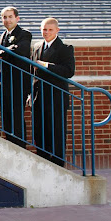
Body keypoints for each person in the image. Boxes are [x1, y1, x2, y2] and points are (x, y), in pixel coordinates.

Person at [29, 17, 75, 166]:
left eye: (50, 30)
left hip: (56, 98)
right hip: (38, 97)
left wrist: (47, 65)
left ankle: (57, 166)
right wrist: (30, 93)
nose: (46, 32)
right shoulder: (37, 46)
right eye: (44, 29)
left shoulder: (65, 48)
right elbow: (32, 72)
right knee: (40, 132)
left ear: (57, 30)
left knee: (56, 133)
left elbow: (69, 71)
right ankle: (43, 163)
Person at [0, 6, 32, 147]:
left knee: (17, 116)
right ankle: (11, 145)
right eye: (4, 17)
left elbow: (20, 49)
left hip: (18, 82)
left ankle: (20, 147)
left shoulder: (24, 34)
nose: (7, 20)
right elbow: (0, 64)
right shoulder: (3, 35)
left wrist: (2, 52)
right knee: (7, 116)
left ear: (17, 18)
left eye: (10, 17)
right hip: (5, 83)